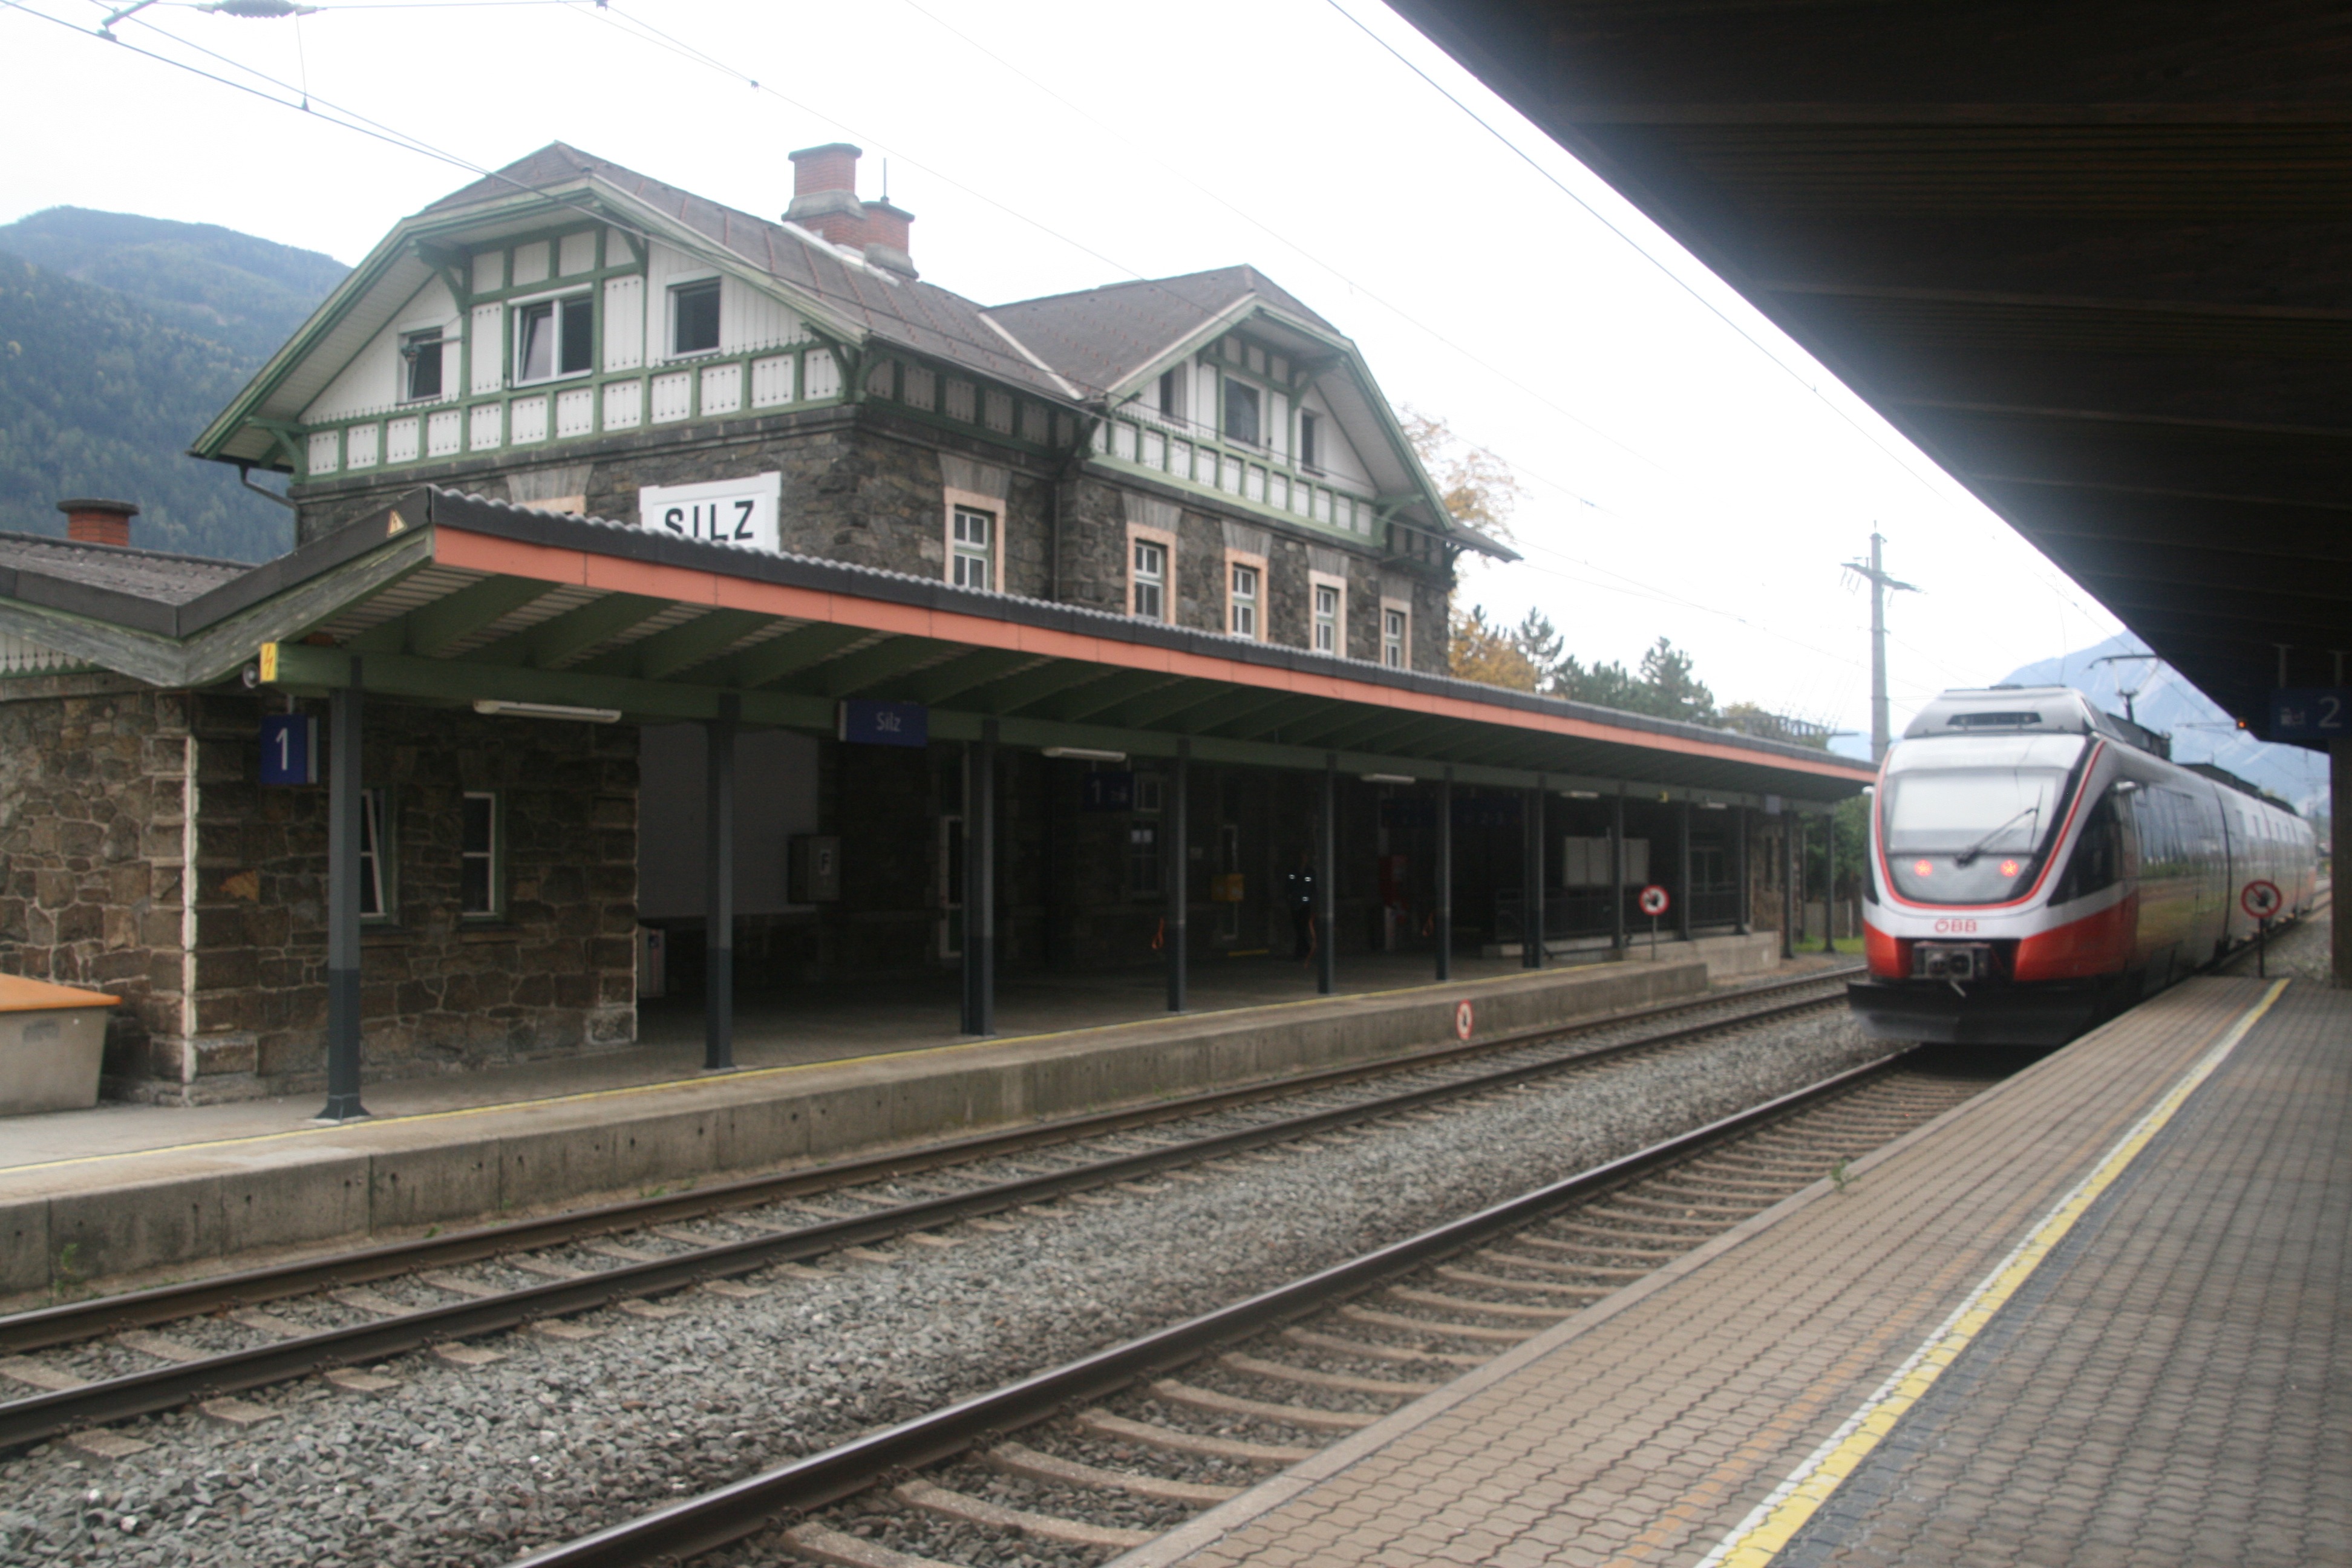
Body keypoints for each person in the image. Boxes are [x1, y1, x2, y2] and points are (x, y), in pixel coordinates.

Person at [1284, 850, 1317, 961]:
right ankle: (1305, 949)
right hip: (1295, 903)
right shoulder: (1292, 871)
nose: (1302, 860)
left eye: (1304, 857)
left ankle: (1301, 950)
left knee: (1303, 927)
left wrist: (1313, 901)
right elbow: (1288, 886)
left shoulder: (1310, 872)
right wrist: (1288, 899)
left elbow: (1313, 888)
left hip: (1306, 904)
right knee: (1298, 927)